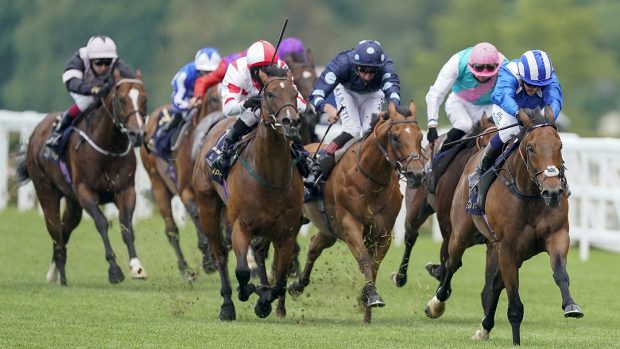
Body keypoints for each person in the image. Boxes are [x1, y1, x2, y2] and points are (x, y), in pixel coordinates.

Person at [211, 40, 318, 185]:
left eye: (269, 66)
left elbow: (301, 105)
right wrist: (247, 103)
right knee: (252, 115)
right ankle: (224, 154)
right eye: (262, 68)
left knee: (290, 123)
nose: (267, 71)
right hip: (245, 109)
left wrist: (288, 102)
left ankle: (306, 162)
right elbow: (228, 108)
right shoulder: (236, 71)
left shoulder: (281, 68)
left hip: (275, 108)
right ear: (252, 69)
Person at [468, 49, 563, 187]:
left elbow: (555, 99)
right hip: (506, 108)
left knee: (547, 137)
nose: (533, 88)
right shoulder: (510, 72)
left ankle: (560, 179)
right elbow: (505, 96)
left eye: (539, 86)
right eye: (529, 84)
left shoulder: (549, 77)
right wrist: (518, 113)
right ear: (522, 75)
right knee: (509, 133)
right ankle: (480, 170)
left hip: (534, 109)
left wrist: (551, 116)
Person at [308, 39, 401, 179]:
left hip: (373, 94)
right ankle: (319, 167)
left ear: (380, 67)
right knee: (353, 129)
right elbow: (316, 94)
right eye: (362, 70)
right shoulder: (342, 63)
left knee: (371, 132)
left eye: (372, 71)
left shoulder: (386, 67)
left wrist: (391, 110)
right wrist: (328, 108)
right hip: (347, 92)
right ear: (354, 64)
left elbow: (393, 93)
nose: (367, 76)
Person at [46, 35, 133, 150]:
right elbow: (73, 84)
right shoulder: (79, 60)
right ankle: (59, 131)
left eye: (107, 62)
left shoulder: (116, 62)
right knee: (86, 102)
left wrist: (107, 86)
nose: (103, 67)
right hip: (80, 86)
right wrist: (92, 89)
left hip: (102, 86)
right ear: (90, 59)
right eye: (98, 62)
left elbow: (129, 78)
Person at [426, 42, 507, 152]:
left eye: (490, 68)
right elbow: (435, 94)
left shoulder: (505, 65)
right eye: (478, 68)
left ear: (496, 65)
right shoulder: (457, 62)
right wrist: (432, 125)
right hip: (459, 102)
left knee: (498, 130)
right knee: (464, 125)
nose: (483, 76)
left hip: (489, 106)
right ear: (471, 64)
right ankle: (440, 156)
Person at [154, 47, 222, 139]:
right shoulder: (184, 76)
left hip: (210, 98)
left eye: (213, 73)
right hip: (187, 98)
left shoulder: (223, 73)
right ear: (199, 70)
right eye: (206, 72)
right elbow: (177, 101)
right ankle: (164, 134)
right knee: (179, 116)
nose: (209, 77)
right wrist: (189, 104)